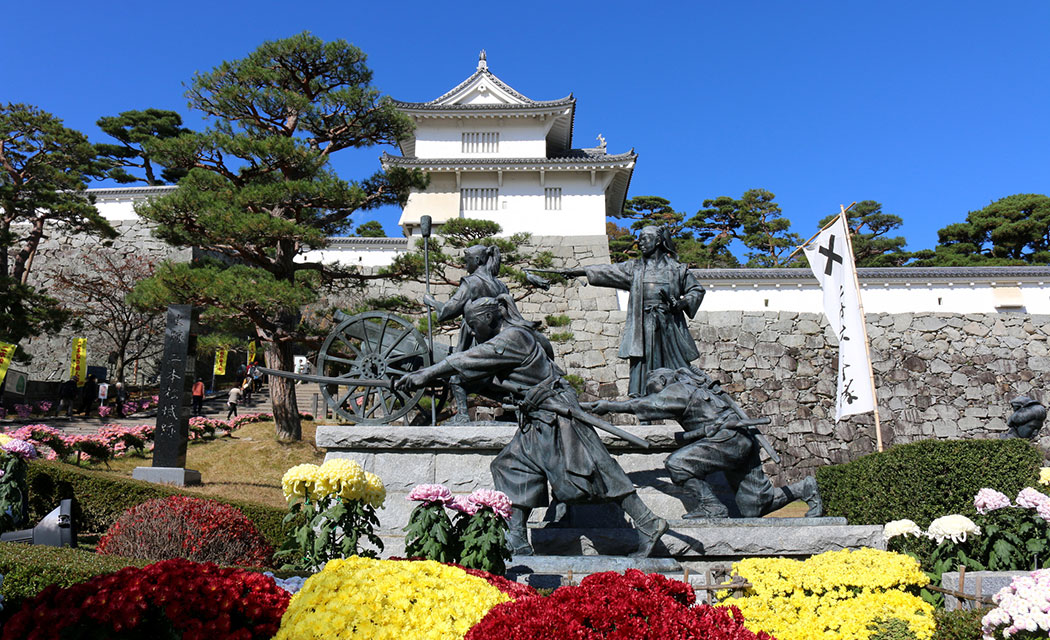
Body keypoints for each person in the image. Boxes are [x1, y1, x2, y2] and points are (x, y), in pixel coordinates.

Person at [397, 295, 668, 557]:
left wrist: (426, 374)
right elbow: (488, 377)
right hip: (537, 416)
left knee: (593, 470)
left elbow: (469, 358)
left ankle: (648, 521)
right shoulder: (509, 338)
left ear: (489, 317)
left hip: (557, 414)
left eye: (473, 324)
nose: (471, 331)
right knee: (512, 465)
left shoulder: (514, 336)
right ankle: (516, 537)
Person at [588, 367, 823, 519]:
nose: (654, 395)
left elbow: (645, 406)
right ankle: (804, 488)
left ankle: (712, 506)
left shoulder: (679, 388)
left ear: (662, 379)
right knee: (755, 506)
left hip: (727, 438)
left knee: (678, 464)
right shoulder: (696, 388)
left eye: (654, 390)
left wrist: (609, 406)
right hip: (739, 439)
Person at [544, 226, 705, 397]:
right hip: (643, 324)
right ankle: (643, 405)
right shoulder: (634, 268)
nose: (640, 243)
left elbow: (696, 290)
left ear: (658, 241)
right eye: (639, 239)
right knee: (643, 363)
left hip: (669, 324)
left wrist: (682, 303)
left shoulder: (677, 269)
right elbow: (606, 270)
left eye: (645, 238)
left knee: (678, 365)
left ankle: (684, 396)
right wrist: (576, 271)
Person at [423, 245, 511, 423]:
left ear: (477, 260)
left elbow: (449, 310)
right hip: (498, 339)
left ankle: (462, 416)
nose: (465, 264)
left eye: (467, 260)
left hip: (474, 337)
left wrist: (432, 302)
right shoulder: (501, 285)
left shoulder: (472, 283)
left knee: (457, 376)